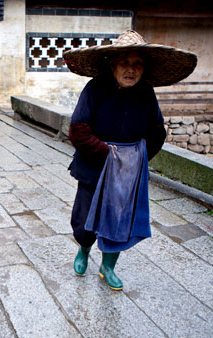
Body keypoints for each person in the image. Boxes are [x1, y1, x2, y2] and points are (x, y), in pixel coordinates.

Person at [63, 30, 197, 290]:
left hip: (128, 173)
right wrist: (108, 156)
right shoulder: (95, 89)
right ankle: (84, 249)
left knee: (120, 221)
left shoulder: (146, 93)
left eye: (137, 64)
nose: (131, 69)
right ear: (113, 65)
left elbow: (157, 132)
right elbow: (78, 129)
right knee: (84, 220)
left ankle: (108, 267)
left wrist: (135, 159)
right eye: (125, 63)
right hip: (94, 167)